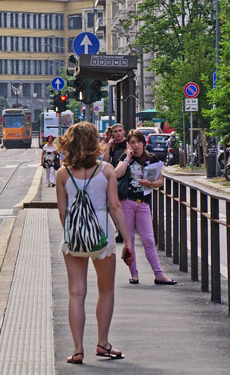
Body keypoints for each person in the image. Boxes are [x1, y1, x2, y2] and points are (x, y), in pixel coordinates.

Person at [54, 122, 133, 365]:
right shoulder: (106, 170)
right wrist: (127, 240)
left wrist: (74, 232)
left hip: (75, 235)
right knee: (105, 290)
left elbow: (62, 212)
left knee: (76, 293)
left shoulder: (62, 173)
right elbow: (115, 206)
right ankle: (103, 343)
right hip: (102, 233)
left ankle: (77, 350)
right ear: (93, 142)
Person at [115, 129, 177, 285]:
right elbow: (116, 174)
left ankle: (159, 274)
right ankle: (134, 274)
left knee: (148, 239)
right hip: (126, 202)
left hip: (143, 202)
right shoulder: (125, 157)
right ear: (129, 144)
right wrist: (128, 158)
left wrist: (149, 183)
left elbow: (160, 181)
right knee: (128, 240)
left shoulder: (151, 159)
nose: (136, 146)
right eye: (132, 143)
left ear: (143, 142)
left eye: (138, 142)